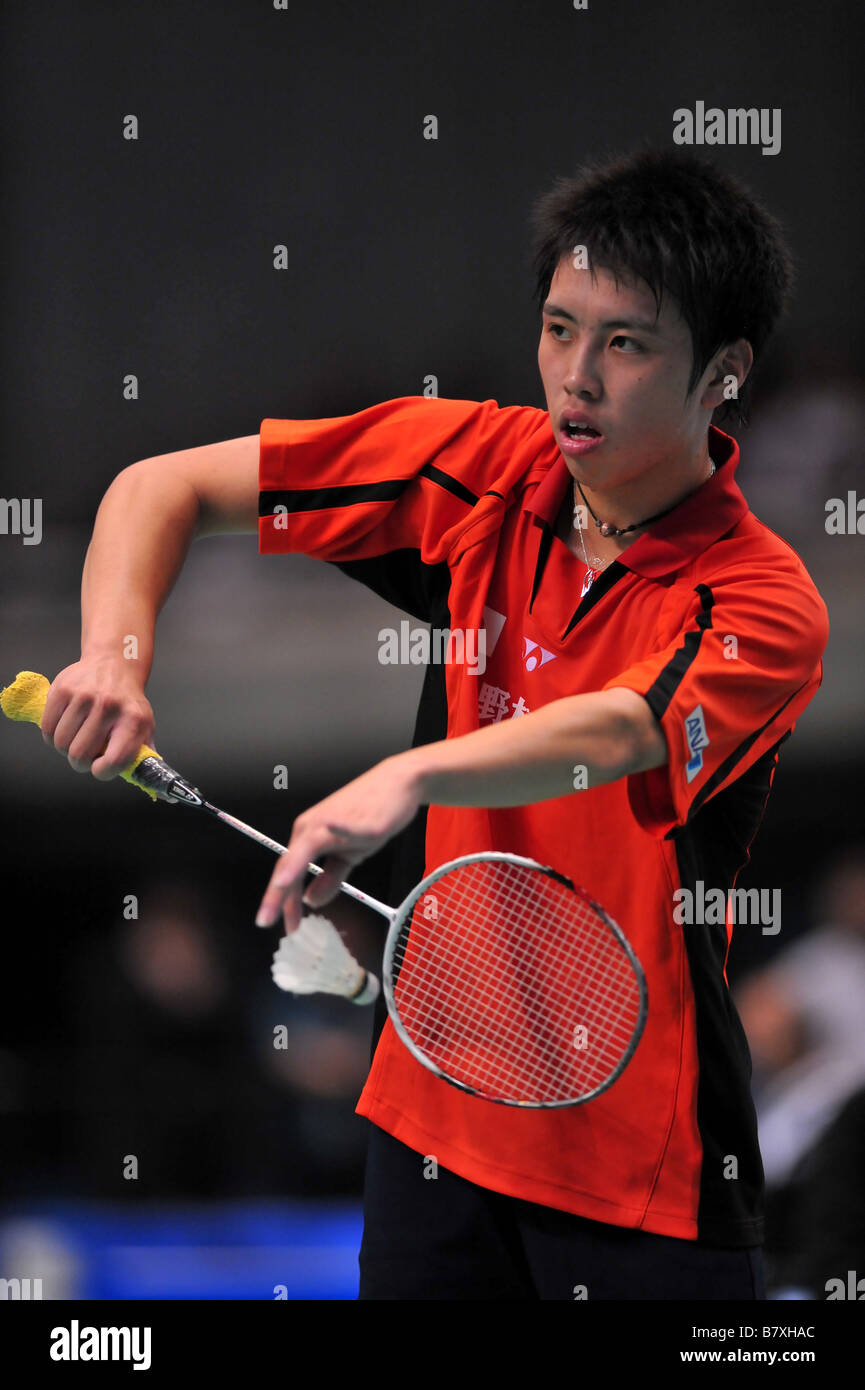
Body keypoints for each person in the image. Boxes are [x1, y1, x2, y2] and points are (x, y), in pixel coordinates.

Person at [41, 146, 829, 1300]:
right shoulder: (478, 470)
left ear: (724, 371)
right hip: (431, 1127)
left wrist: (413, 774)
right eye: (559, 328)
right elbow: (161, 487)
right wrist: (114, 659)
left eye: (626, 343)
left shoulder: (759, 600)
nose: (576, 377)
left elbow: (617, 728)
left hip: (645, 1173)